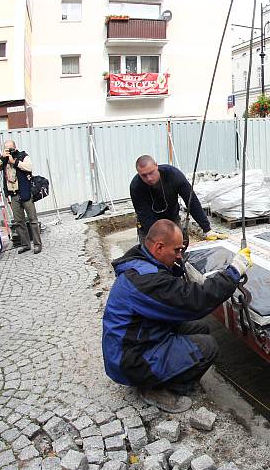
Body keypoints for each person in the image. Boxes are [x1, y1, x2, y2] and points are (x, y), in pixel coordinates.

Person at [102, 220, 252, 412]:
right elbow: (195, 301)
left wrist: (175, 266)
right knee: (208, 347)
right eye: (177, 250)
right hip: (130, 361)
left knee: (201, 328)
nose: (179, 255)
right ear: (159, 247)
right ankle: (157, 388)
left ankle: (170, 371)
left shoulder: (141, 262)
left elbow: (174, 293)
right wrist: (234, 271)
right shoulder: (146, 281)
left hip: (136, 341)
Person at [130, 155, 226, 241]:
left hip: (172, 219)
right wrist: (161, 238)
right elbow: (145, 216)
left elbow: (191, 201)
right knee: (151, 256)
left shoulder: (173, 175)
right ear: (138, 173)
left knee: (179, 248)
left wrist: (207, 229)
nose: (149, 178)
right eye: (144, 175)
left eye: (151, 173)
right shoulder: (136, 186)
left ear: (156, 166)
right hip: (149, 225)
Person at [0, 139, 41, 254]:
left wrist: (15, 162)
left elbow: (29, 167)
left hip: (25, 193)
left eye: (11, 148)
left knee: (33, 220)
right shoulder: (4, 160)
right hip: (13, 195)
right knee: (19, 222)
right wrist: (3, 157)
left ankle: (37, 244)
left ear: (15, 147)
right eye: (7, 149)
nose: (9, 150)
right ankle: (25, 245)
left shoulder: (23, 156)